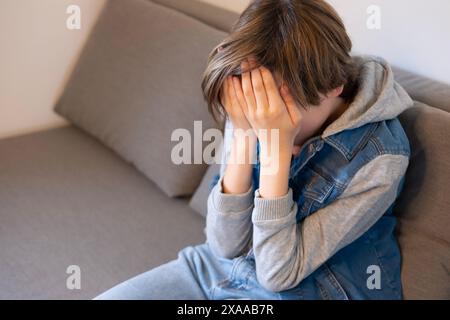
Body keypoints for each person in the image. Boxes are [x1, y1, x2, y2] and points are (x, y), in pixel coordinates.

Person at [96, 0, 412, 300]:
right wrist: (244, 134)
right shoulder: (251, 104)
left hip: (312, 288)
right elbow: (223, 244)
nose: (263, 121)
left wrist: (275, 151)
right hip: (220, 269)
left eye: (281, 113)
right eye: (255, 111)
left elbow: (276, 274)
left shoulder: (380, 157)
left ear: (333, 86)